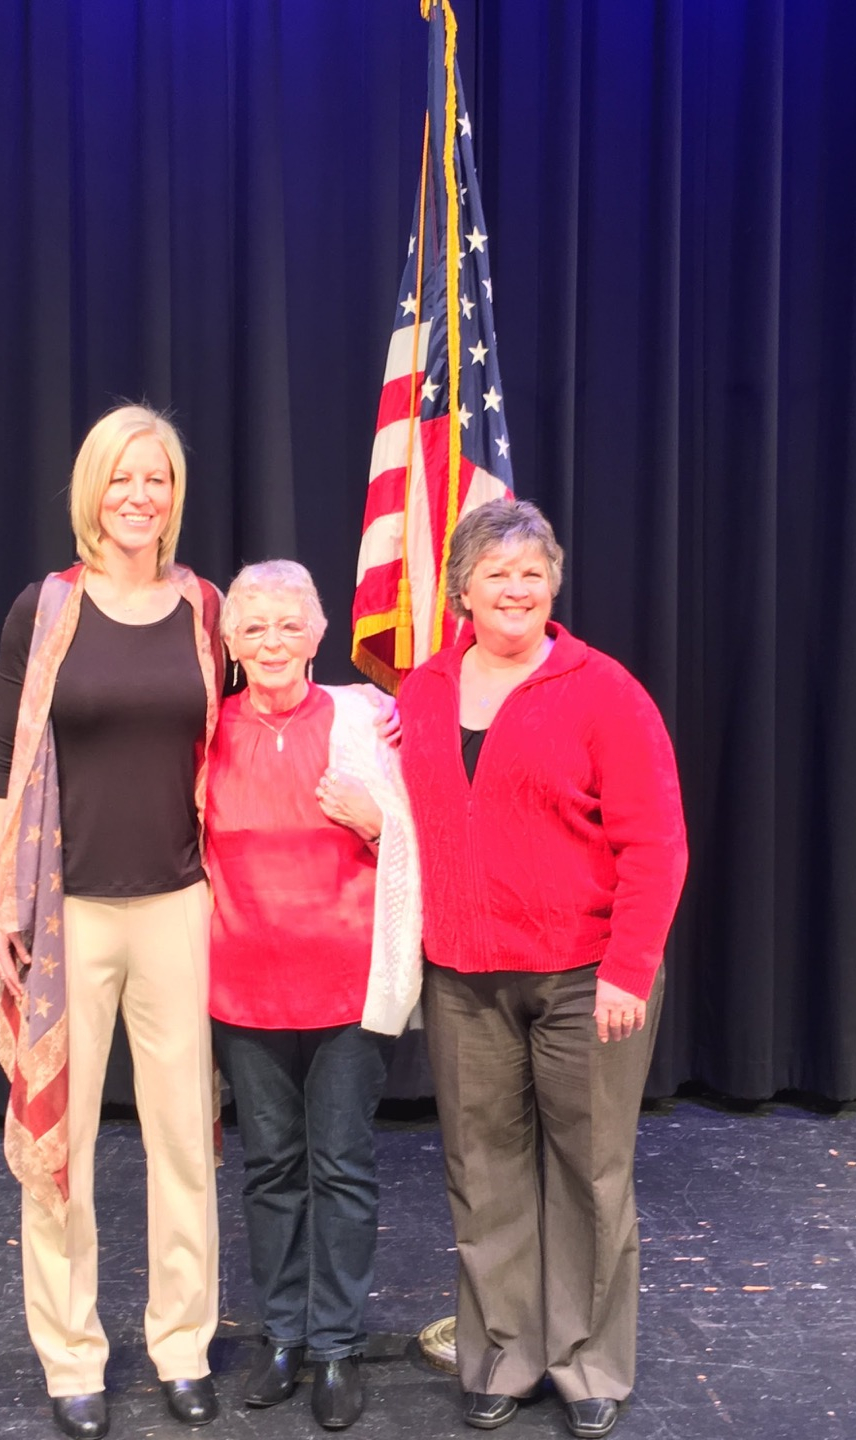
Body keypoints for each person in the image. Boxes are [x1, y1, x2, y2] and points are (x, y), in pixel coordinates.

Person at [398, 499, 687, 1440]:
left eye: (531, 572)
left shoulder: (604, 690)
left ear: (552, 583)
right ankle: (502, 1356)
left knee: (591, 1174)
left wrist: (628, 970)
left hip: (583, 979)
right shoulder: (425, 690)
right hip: (464, 977)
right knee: (483, 1172)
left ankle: (587, 1363)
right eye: (495, 574)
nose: (514, 588)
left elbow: (657, 845)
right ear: (462, 591)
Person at [0, 404, 224, 1440]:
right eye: (122, 479)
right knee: (63, 1148)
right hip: (65, 914)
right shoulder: (46, 609)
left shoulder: (208, 608)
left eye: (156, 479)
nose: (140, 497)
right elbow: (1, 759)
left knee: (183, 1146)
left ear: (175, 495)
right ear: (93, 491)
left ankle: (182, 1346)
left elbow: (259, 732)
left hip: (179, 908)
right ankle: (70, 1354)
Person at [204, 561, 422, 1431]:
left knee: (341, 1164)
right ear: (229, 643)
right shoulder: (206, 730)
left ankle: (335, 1346)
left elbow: (424, 825)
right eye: (252, 627)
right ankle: (282, 1336)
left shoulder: (369, 718)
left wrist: (380, 820)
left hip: (346, 986)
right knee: (270, 1170)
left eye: (288, 625)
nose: (271, 642)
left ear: (319, 634)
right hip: (243, 988)